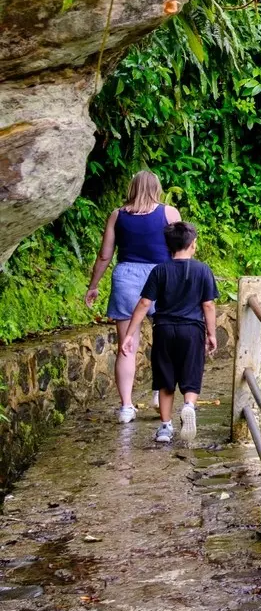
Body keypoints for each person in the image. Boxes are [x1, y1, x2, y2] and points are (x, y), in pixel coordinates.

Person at [85, 170, 182, 422]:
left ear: (132, 188)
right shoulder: (169, 213)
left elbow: (104, 255)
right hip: (162, 277)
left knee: (126, 346)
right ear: (156, 188)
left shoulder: (117, 215)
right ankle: (159, 395)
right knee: (165, 341)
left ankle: (126, 407)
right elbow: (179, 251)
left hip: (126, 278)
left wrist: (93, 285)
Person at [121, 222, 218, 444]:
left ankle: (165, 427)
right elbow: (208, 305)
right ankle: (189, 405)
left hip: (164, 330)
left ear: (168, 246)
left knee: (165, 379)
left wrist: (129, 334)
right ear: (193, 244)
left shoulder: (160, 270)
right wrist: (211, 334)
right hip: (192, 330)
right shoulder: (203, 270)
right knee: (191, 373)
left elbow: (145, 303)